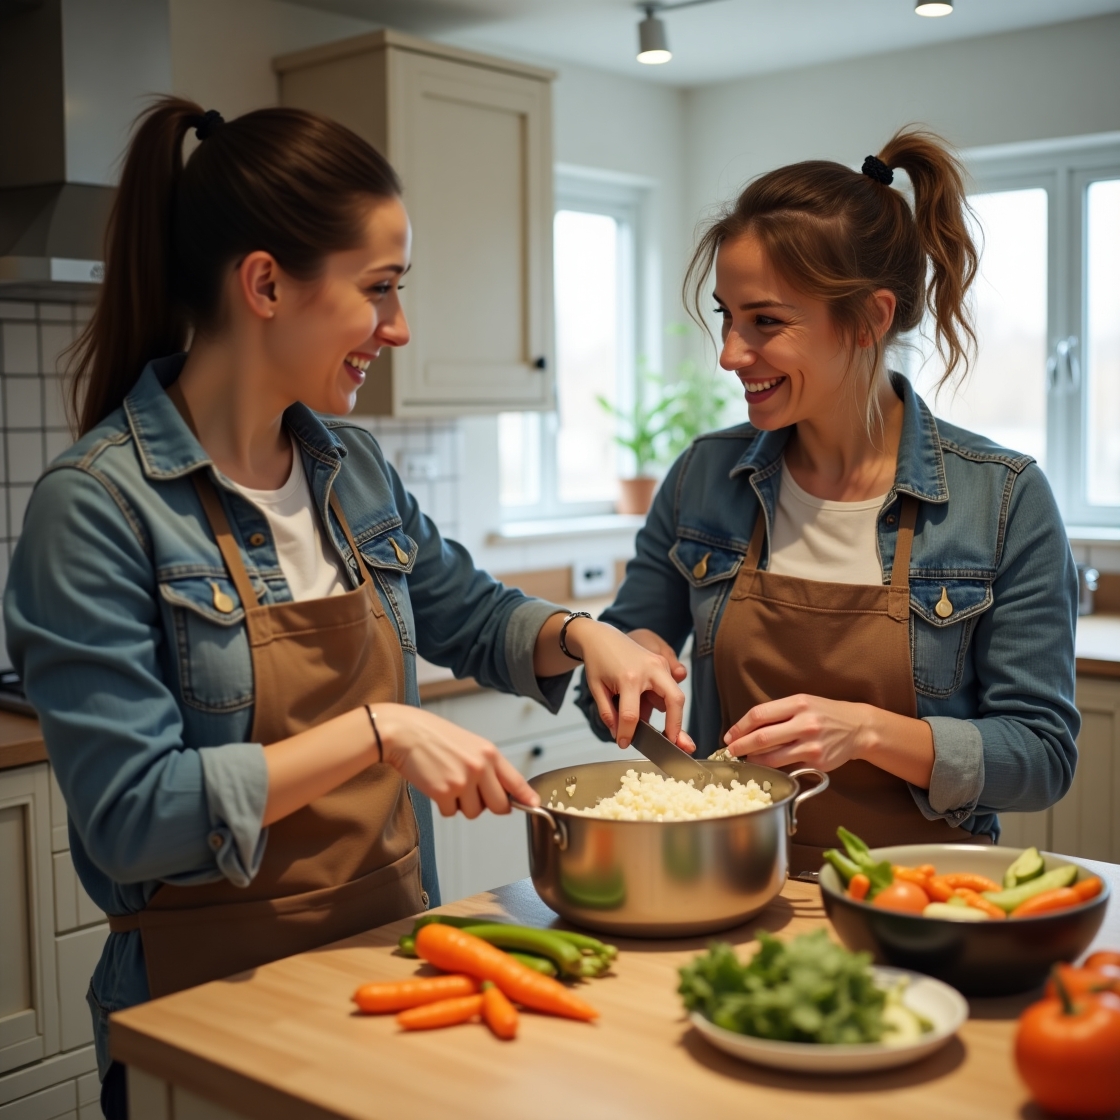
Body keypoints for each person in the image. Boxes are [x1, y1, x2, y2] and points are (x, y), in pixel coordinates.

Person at [4, 98, 684, 1119]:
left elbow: (467, 611)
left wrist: (586, 636)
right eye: (380, 289)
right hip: (207, 1020)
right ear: (266, 284)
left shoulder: (351, 468)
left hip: (398, 972)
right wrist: (379, 731)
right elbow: (133, 819)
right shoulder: (97, 507)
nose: (399, 328)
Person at [578, 128, 1079, 876]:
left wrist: (869, 732)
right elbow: (614, 665)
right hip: (734, 882)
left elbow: (1041, 757)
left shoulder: (1003, 499)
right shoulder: (702, 478)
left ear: (871, 318)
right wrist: (627, 667)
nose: (729, 353)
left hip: (924, 896)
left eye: (765, 321)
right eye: (726, 315)